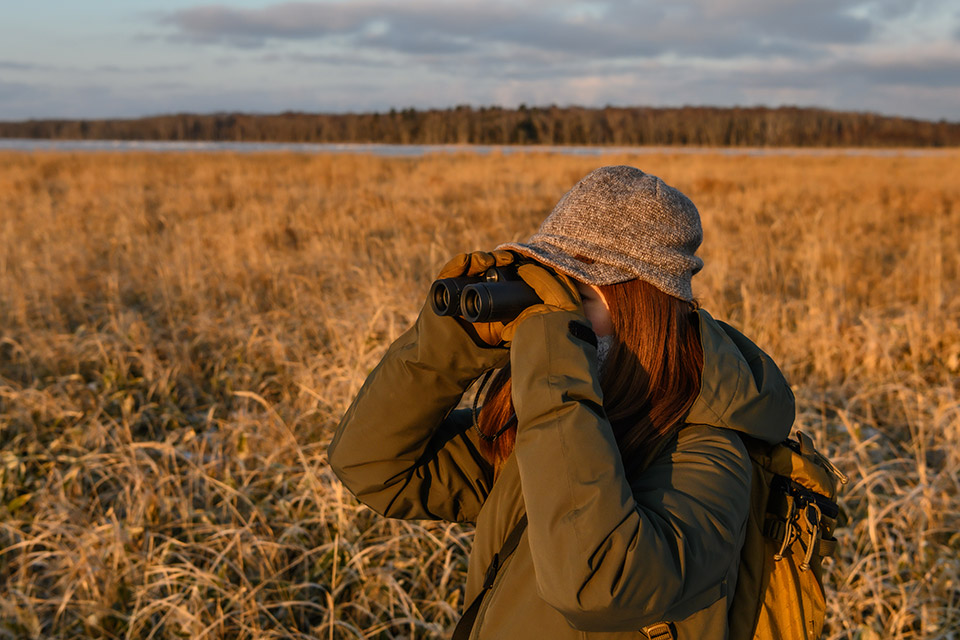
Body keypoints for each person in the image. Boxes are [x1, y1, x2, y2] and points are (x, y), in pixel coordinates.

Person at [327, 165, 795, 639]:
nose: (550, 312)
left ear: (644, 305)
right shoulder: (566, 417)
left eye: (577, 292)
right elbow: (373, 466)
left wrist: (552, 360)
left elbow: (599, 587)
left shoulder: (711, 455)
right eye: (550, 283)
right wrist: (446, 346)